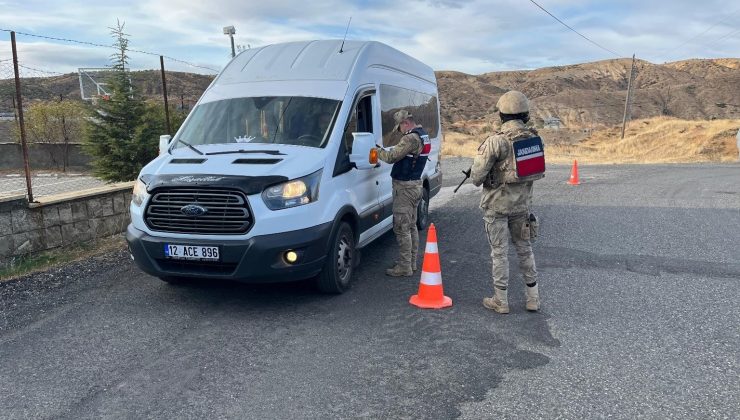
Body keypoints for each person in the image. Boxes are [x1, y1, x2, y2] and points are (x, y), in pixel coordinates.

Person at [470, 90, 541, 313]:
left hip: (497, 207)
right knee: (525, 250)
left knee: (499, 253)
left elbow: (476, 177)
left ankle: (501, 301)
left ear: (501, 114)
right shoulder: (534, 139)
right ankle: (533, 298)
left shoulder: (496, 142)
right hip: (522, 207)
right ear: (525, 114)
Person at [373, 110, 431, 277]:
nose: (400, 131)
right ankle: (410, 263)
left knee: (401, 227)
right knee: (411, 226)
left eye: (399, 127)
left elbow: (391, 157)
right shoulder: (423, 135)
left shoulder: (410, 138)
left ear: (405, 123)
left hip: (405, 188)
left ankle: (405, 266)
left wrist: (377, 151)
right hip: (415, 185)